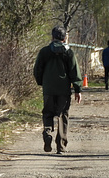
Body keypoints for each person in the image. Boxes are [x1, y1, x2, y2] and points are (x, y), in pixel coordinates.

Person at [33, 26, 83, 154]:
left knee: (48, 113)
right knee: (62, 115)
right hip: (64, 90)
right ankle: (61, 146)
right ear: (65, 38)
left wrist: (42, 82)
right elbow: (74, 72)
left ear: (52, 37)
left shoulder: (44, 52)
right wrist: (78, 89)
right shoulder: (69, 52)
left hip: (48, 89)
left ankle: (47, 133)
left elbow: (37, 70)